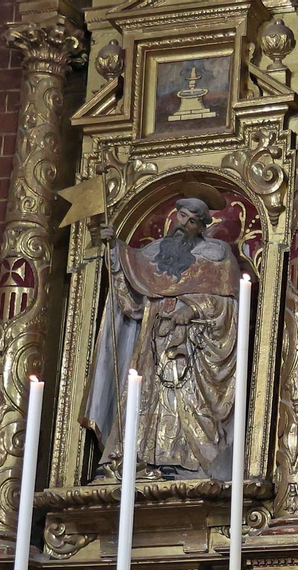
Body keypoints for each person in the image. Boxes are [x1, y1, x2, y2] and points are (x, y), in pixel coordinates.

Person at [83, 197, 243, 479]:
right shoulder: (153, 252)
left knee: (187, 400)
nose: (183, 224)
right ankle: (138, 460)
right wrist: (113, 248)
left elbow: (229, 304)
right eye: (181, 216)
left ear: (202, 226)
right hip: (152, 342)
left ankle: (184, 462)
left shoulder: (216, 255)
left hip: (194, 348)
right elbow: (131, 297)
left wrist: (192, 308)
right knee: (144, 396)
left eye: (191, 220)